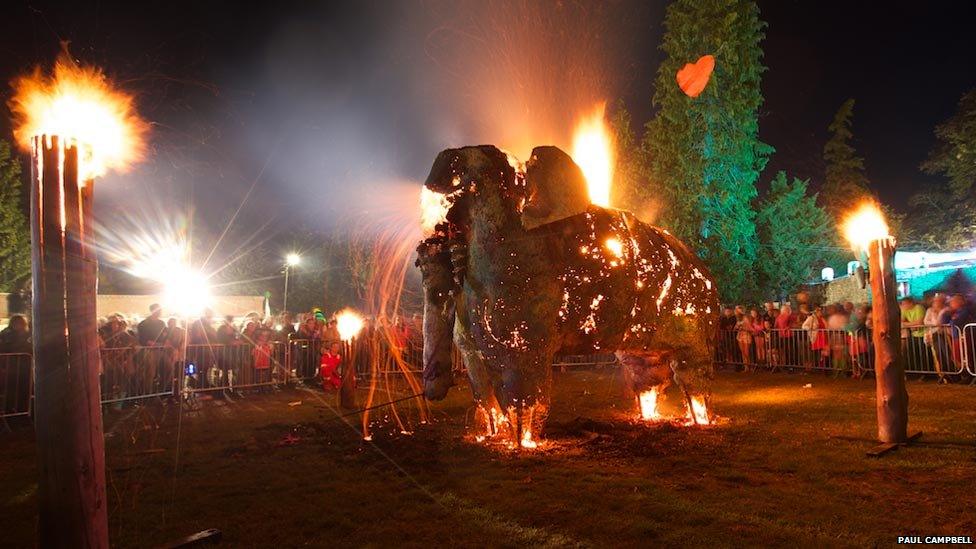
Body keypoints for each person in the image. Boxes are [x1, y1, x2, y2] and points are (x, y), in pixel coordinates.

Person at [924, 294, 950, 383]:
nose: (935, 303)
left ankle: (949, 374)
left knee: (946, 355)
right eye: (935, 301)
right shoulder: (929, 310)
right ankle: (941, 375)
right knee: (937, 356)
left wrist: (935, 318)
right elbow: (926, 322)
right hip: (933, 335)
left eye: (938, 301)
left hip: (944, 335)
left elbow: (940, 322)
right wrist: (934, 321)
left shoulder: (945, 310)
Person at [899, 297, 927, 372]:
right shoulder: (904, 310)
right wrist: (912, 325)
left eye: (904, 304)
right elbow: (901, 322)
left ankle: (926, 373)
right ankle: (917, 372)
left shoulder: (918, 308)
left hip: (923, 334)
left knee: (924, 355)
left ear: (910, 303)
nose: (903, 306)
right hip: (914, 334)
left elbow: (920, 322)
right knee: (914, 355)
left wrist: (907, 324)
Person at [802, 305, 828, 370]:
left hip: (823, 336)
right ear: (816, 312)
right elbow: (804, 326)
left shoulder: (823, 318)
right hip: (816, 337)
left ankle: (822, 366)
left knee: (823, 352)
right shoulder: (811, 318)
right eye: (820, 311)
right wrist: (811, 329)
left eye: (821, 311)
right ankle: (816, 366)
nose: (821, 312)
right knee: (816, 352)